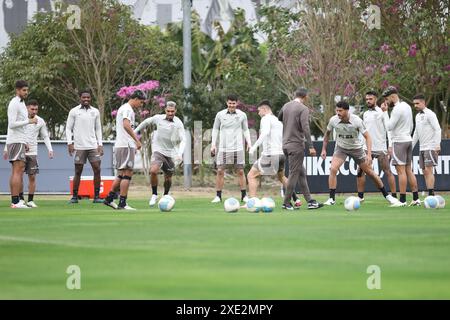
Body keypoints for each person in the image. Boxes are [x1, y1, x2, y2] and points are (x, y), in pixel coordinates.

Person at [321, 101, 398, 206]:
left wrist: (369, 154)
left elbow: (368, 137)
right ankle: (331, 199)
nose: (338, 113)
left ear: (347, 111)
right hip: (341, 148)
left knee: (370, 172)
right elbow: (326, 135)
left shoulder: (357, 121)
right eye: (337, 110)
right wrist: (323, 149)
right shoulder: (333, 120)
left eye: (340, 111)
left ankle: (388, 196)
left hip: (356, 149)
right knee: (333, 169)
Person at [247, 100, 301, 207]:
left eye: (259, 111)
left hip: (270, 154)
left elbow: (265, 133)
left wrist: (253, 147)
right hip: (281, 154)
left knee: (251, 175)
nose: (258, 113)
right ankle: (296, 199)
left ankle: (252, 203)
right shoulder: (277, 120)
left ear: (265, 109)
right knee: (281, 177)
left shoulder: (265, 118)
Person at [134, 101, 186, 207]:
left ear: (175, 111)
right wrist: (134, 132)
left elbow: (183, 139)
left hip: (171, 153)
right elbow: (146, 122)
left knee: (168, 177)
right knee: (153, 171)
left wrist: (180, 154)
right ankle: (154, 194)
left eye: (172, 111)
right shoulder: (158, 118)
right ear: (165, 110)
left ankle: (165, 195)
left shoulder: (178, 123)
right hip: (158, 150)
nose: (170, 113)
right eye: (168, 111)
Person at [3, 100, 54, 207]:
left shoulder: (40, 121)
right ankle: (20, 199)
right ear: (27, 108)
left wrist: (50, 149)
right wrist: (6, 148)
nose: (34, 111)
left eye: (36, 109)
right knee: (18, 174)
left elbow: (45, 136)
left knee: (32, 176)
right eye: (32, 109)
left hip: (33, 151)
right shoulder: (21, 119)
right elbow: (11, 132)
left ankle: (30, 200)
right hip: (20, 148)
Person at [278, 88, 322, 210]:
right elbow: (306, 128)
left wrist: (289, 123)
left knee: (301, 173)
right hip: (296, 145)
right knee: (293, 174)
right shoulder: (303, 109)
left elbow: (279, 117)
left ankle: (310, 201)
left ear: (295, 95)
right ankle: (286, 203)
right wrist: (311, 146)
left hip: (286, 144)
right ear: (305, 97)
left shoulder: (286, 105)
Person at [103, 90, 145, 210]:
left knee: (121, 174)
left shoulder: (124, 108)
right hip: (125, 145)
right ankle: (122, 203)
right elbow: (126, 125)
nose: (141, 105)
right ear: (135, 99)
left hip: (122, 145)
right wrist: (136, 140)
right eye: (141, 102)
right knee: (127, 173)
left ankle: (109, 199)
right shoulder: (127, 109)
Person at [382, 86, 420, 207]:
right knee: (409, 170)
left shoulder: (397, 109)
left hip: (399, 141)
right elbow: (411, 125)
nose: (387, 102)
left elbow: (389, 127)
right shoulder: (407, 106)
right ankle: (416, 199)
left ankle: (402, 200)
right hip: (408, 139)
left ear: (393, 96)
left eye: (387, 99)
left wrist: (384, 113)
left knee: (401, 172)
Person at [210, 94, 252, 203]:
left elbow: (246, 129)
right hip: (223, 148)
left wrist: (249, 142)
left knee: (241, 171)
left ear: (237, 103)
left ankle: (244, 196)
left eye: (233, 103)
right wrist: (213, 144)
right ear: (226, 103)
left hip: (238, 147)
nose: (232, 105)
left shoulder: (242, 115)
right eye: (230, 103)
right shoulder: (220, 114)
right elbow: (215, 129)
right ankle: (218, 196)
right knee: (220, 171)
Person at [356, 91, 397, 202]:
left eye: (370, 99)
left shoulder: (382, 112)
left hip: (380, 148)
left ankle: (394, 197)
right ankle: (360, 197)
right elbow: (364, 132)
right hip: (366, 148)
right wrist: (360, 145)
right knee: (360, 171)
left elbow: (389, 129)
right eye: (367, 99)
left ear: (375, 99)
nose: (368, 101)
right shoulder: (365, 114)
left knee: (388, 171)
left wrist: (390, 145)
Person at [66, 90, 103, 203]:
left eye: (88, 97)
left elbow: (98, 128)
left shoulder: (95, 111)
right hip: (79, 146)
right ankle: (74, 197)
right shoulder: (74, 111)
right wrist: (69, 142)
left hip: (92, 146)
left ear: (90, 98)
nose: (86, 99)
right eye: (84, 97)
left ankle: (96, 197)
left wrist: (100, 144)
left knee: (97, 169)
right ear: (80, 98)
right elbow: (68, 128)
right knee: (78, 171)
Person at [5, 80, 34, 209]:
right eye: (23, 90)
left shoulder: (22, 104)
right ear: (17, 90)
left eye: (27, 90)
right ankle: (16, 202)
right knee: (18, 170)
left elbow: (20, 125)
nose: (26, 92)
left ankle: (16, 200)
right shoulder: (14, 103)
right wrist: (29, 121)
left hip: (19, 140)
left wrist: (25, 141)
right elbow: (11, 124)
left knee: (17, 170)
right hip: (15, 140)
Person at [412, 94, 441, 196]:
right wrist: (410, 147)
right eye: (414, 104)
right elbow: (416, 132)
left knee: (429, 170)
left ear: (423, 102)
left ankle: (431, 195)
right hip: (422, 147)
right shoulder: (417, 116)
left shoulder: (430, 114)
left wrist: (437, 145)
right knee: (424, 171)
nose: (415, 105)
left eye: (417, 103)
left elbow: (437, 129)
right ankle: (430, 193)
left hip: (430, 147)